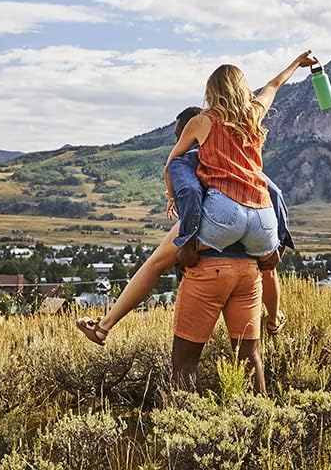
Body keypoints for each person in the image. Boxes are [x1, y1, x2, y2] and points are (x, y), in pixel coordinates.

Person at [75, 106, 295, 345]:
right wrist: (276, 242)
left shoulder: (193, 158)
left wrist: (187, 238)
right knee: (267, 273)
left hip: (209, 230)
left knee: (154, 264)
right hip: (254, 231)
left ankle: (104, 326)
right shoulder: (243, 165)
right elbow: (274, 194)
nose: (180, 141)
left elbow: (190, 192)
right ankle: (274, 319)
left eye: (181, 135)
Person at [163, 51, 315, 391]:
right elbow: (275, 84)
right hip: (262, 219)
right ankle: (261, 423)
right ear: (242, 90)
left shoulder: (201, 121)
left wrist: (173, 196)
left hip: (225, 214)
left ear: (211, 91)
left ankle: (184, 425)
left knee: (184, 361)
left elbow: (173, 162)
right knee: (251, 358)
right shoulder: (255, 115)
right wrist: (297, 62)